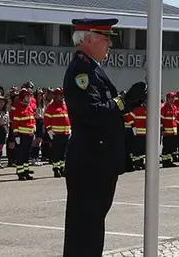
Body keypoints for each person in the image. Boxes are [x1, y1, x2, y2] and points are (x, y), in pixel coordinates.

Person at [61, 17, 146, 257]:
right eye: (106, 38)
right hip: (91, 161)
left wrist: (129, 102)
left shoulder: (91, 68)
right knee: (84, 229)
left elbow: (106, 109)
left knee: (92, 226)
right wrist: (124, 101)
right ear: (89, 39)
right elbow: (92, 111)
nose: (109, 44)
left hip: (98, 160)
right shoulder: (82, 70)